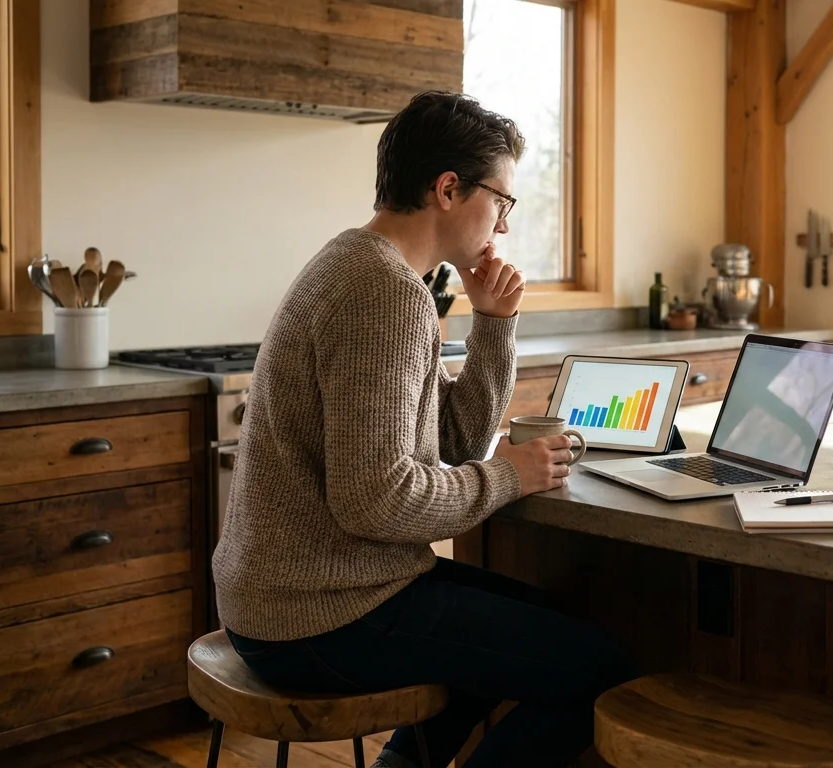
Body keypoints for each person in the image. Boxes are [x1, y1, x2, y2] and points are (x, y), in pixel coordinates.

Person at [210, 91, 638, 768]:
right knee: (602, 671)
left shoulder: (371, 270)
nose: (502, 226)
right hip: (319, 616)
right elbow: (377, 500)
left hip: (309, 596)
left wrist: (493, 322)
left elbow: (455, 445)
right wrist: (514, 474)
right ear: (448, 189)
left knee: (535, 640)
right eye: (502, 203)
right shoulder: (381, 293)